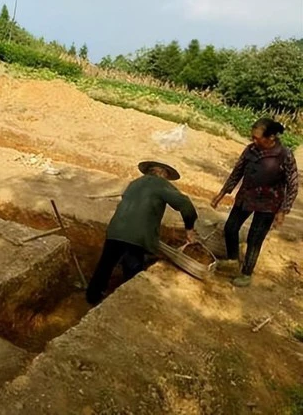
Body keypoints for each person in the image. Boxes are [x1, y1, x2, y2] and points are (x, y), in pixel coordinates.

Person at [86, 161, 198, 304]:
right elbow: (185, 205)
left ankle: (92, 297)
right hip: (138, 237)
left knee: (105, 265)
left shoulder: (134, 183)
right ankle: (127, 304)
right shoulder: (161, 184)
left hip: (116, 230)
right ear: (163, 173)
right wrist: (189, 228)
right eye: (166, 175)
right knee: (132, 273)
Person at [211, 118, 299, 287]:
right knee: (230, 227)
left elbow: (293, 184)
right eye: (252, 137)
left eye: (257, 138)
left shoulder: (284, 155)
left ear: (271, 137)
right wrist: (222, 193)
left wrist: (283, 210)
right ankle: (232, 260)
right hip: (246, 197)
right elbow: (237, 172)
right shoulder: (250, 150)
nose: (253, 140)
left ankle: (246, 274)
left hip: (268, 204)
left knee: (255, 238)